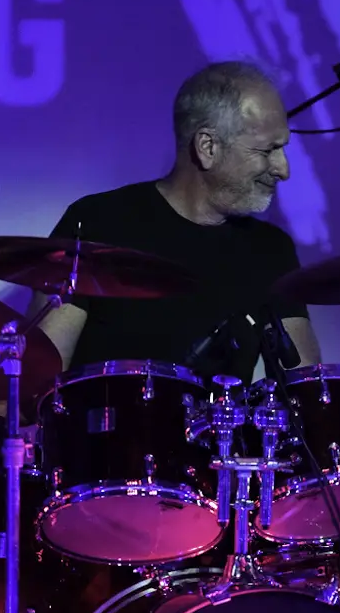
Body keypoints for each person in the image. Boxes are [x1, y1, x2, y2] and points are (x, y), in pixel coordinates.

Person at [38, 60, 320, 383]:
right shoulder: (97, 222)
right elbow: (41, 374)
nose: (283, 169)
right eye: (269, 150)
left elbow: (307, 391)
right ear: (207, 147)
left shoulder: (272, 249)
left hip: (223, 435)